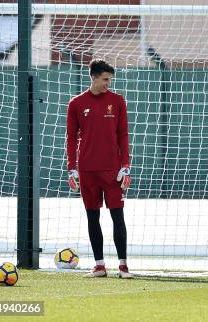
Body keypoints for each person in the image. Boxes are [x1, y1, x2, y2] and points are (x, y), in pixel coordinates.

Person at [66, 59, 133, 278]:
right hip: (87, 171)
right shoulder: (76, 103)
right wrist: (71, 168)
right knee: (92, 217)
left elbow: (123, 135)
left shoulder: (118, 101)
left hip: (112, 171)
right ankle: (99, 265)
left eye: (110, 80)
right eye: (105, 79)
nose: (108, 84)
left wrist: (125, 166)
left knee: (117, 216)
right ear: (93, 77)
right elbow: (71, 138)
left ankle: (123, 266)